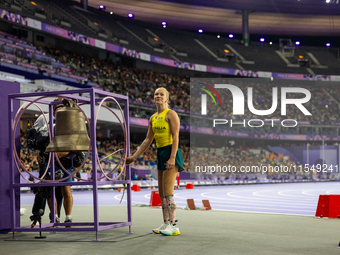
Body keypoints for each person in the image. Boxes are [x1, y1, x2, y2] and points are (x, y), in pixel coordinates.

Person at [126, 87, 184, 236]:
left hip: (171, 151)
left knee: (169, 193)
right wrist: (134, 156)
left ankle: (174, 225)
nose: (158, 96)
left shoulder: (171, 114)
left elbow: (176, 136)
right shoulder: (153, 117)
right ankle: (166, 223)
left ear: (167, 98)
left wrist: (172, 157)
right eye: (156, 94)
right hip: (160, 153)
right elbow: (147, 140)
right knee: (162, 193)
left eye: (161, 94)